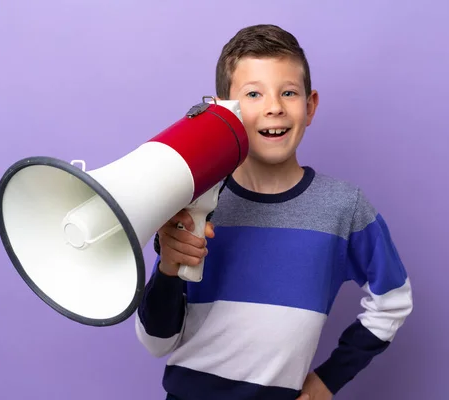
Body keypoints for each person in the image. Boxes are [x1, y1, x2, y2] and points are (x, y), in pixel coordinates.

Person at [135, 24, 413, 400]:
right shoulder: (194, 202)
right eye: (253, 94)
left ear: (310, 105)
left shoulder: (343, 208)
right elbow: (156, 343)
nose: (274, 107)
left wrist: (326, 382)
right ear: (224, 111)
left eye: (288, 93)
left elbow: (393, 301)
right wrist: (168, 269)